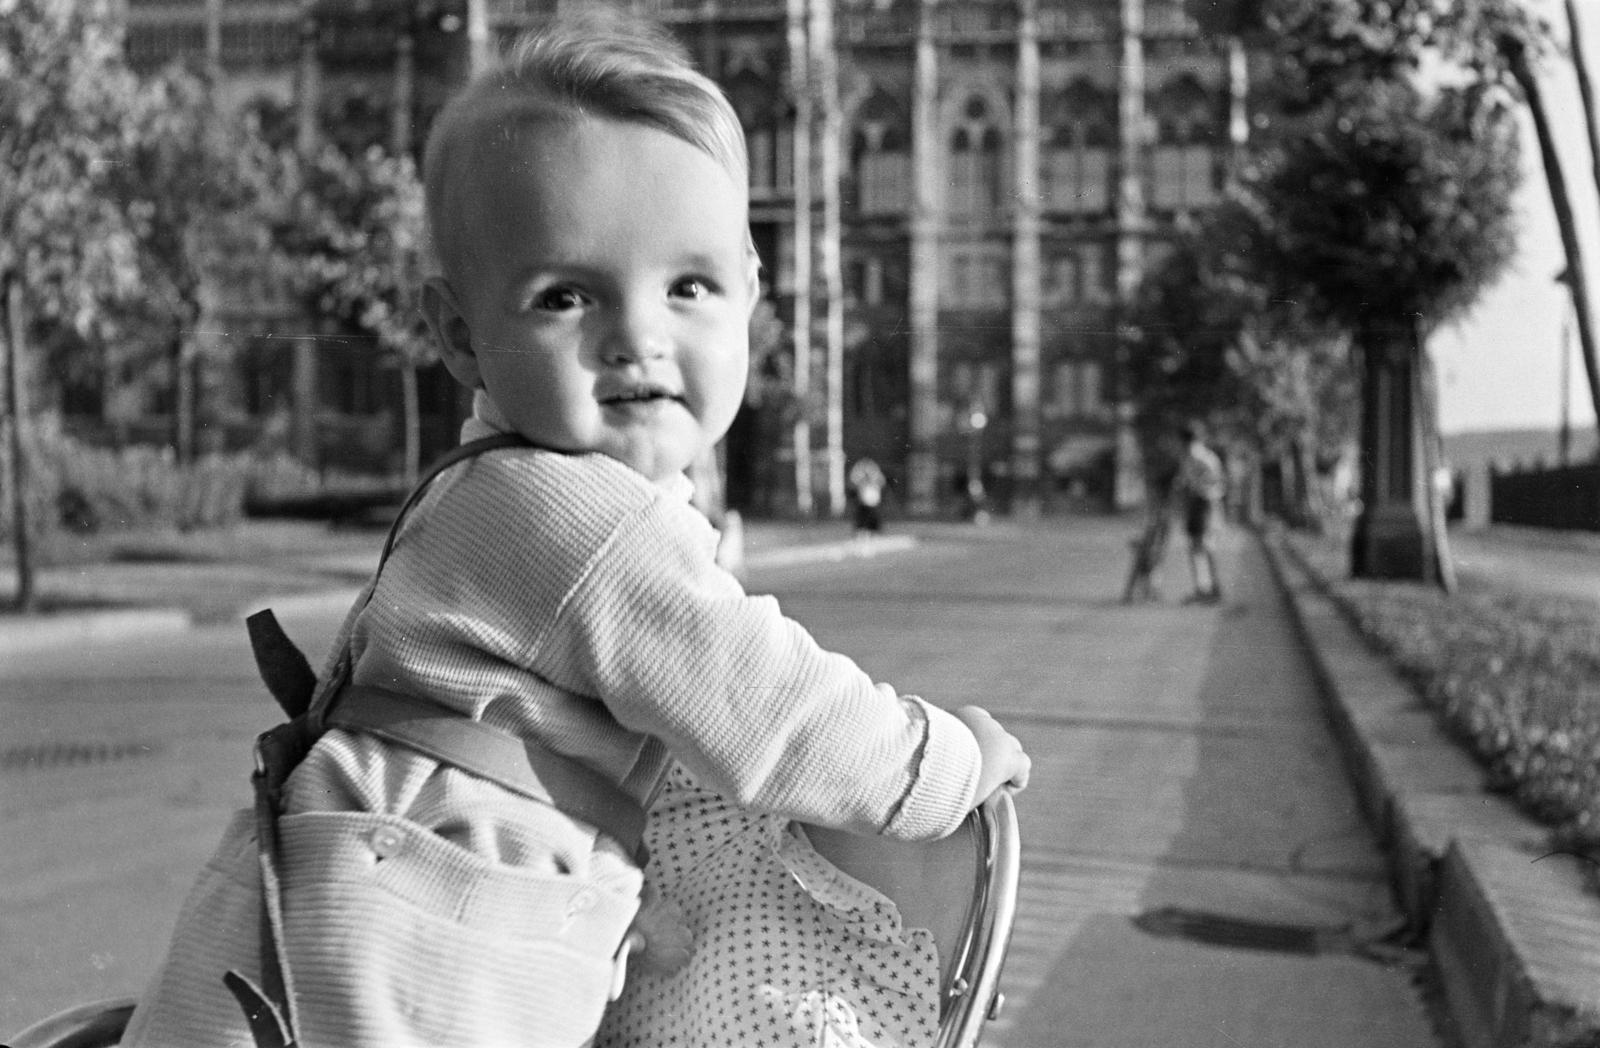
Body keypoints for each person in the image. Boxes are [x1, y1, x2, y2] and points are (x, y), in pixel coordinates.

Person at [121, 12, 1029, 1048]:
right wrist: (954, 760)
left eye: (687, 285)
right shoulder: (579, 521)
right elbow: (781, 718)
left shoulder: (483, 484)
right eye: (566, 295)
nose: (638, 337)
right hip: (369, 995)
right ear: (461, 336)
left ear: (752, 294)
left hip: (317, 961)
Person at [1175, 422, 1226, 604]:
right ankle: (1203, 588)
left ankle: (1212, 588)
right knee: (1197, 547)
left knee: (1205, 545)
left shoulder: (1202, 457)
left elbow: (1215, 481)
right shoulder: (1192, 456)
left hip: (1205, 503)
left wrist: (1196, 486)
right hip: (1197, 504)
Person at [848, 456, 887, 541]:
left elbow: (881, 482)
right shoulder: (859, 474)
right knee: (862, 518)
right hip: (863, 501)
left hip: (872, 501)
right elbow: (853, 483)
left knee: (873, 518)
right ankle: (861, 534)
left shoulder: (875, 474)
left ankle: (874, 534)